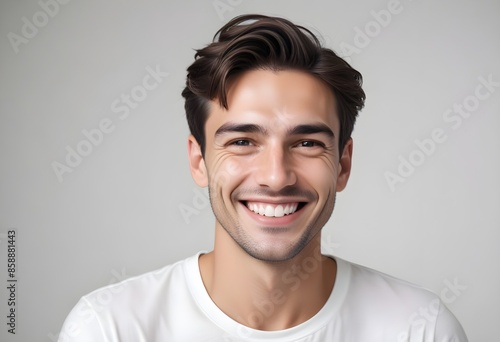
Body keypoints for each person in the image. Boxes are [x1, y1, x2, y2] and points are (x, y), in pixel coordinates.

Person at [58, 14, 468, 341]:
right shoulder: (109, 328)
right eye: (242, 142)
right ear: (199, 161)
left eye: (307, 143)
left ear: (342, 165)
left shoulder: (421, 329)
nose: (276, 177)